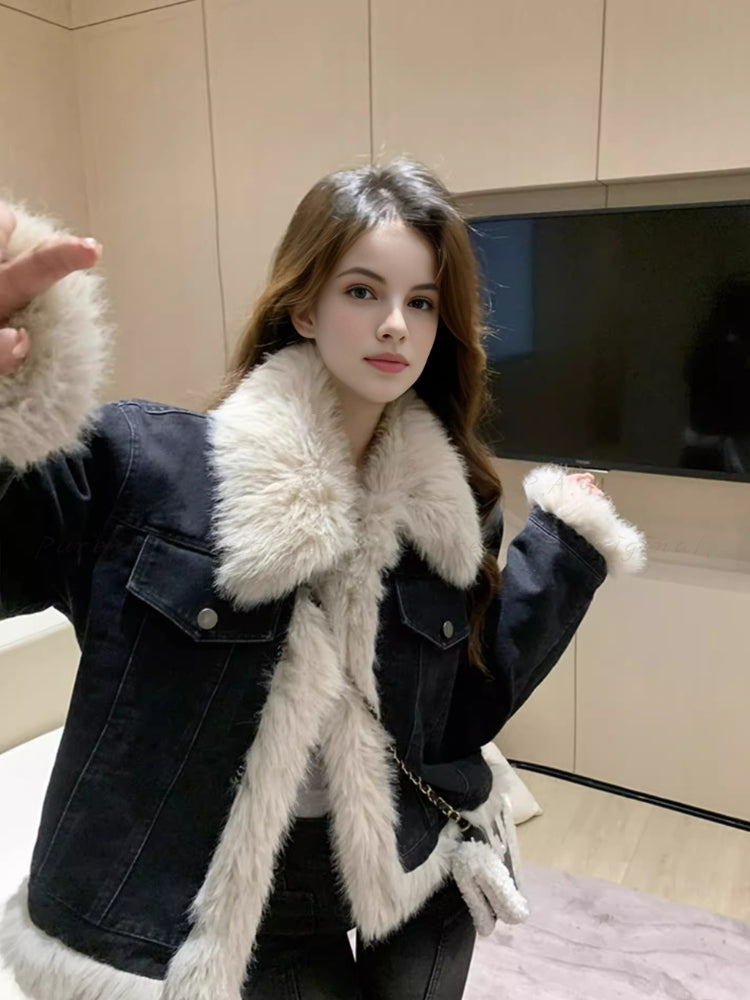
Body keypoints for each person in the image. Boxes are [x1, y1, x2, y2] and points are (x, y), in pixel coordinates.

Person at [0, 161, 646, 1000]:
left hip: (412, 867)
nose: (395, 326)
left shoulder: (452, 516)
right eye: (362, 291)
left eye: (422, 302)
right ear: (304, 306)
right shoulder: (149, 470)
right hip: (240, 903)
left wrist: (562, 549)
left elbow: (460, 711)